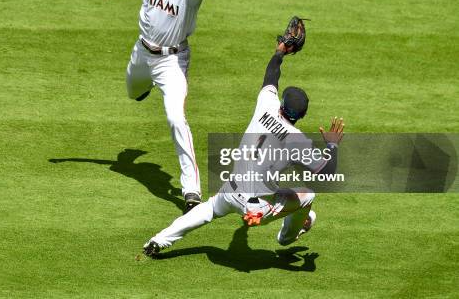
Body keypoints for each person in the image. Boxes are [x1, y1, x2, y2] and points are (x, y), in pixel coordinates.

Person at [142, 37, 345, 256]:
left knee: (208, 208)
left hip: (230, 190)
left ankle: (158, 240)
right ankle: (286, 238)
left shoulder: (266, 105)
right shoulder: (298, 140)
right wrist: (332, 144)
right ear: (302, 115)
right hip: (255, 209)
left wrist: (279, 52)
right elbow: (327, 171)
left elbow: (272, 76)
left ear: (282, 104)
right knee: (308, 196)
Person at [81, 0, 226, 213]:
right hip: (142, 53)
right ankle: (145, 86)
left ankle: (191, 190)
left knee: (175, 117)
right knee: (133, 92)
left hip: (172, 62)